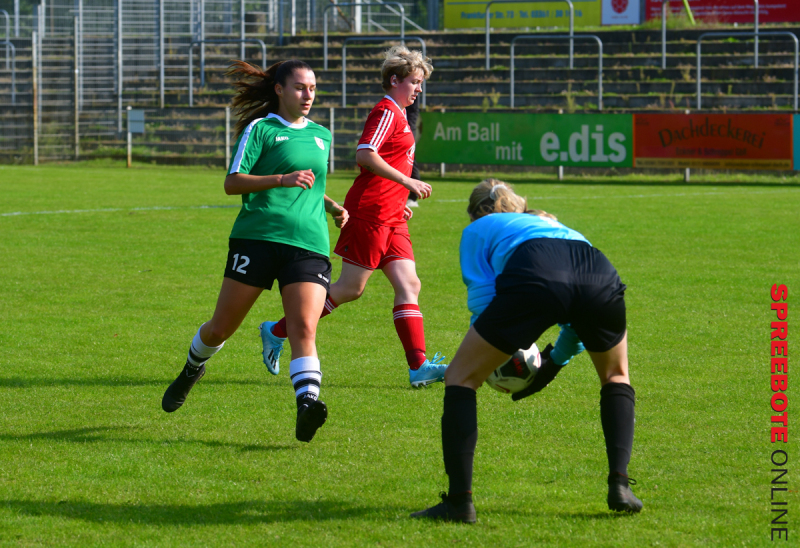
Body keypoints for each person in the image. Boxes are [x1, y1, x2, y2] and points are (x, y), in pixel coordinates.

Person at [411, 179, 642, 523]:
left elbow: (484, 299)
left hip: (537, 268)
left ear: (477, 212)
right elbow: (575, 321)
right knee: (616, 375)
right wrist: (553, 364)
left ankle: (459, 503)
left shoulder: (478, 229)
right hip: (599, 270)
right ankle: (620, 485)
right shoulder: (551, 223)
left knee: (460, 376)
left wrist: (495, 354)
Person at [161, 59, 348, 444]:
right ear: (279, 89)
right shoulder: (260, 129)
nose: (308, 95)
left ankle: (307, 405)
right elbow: (232, 183)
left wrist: (332, 206)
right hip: (258, 238)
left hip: (309, 244)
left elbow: (311, 184)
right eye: (300, 87)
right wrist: (281, 179)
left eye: (313, 88)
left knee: (303, 326)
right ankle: (193, 367)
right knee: (221, 328)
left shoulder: (322, 135)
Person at [260, 46, 449, 388]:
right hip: (371, 212)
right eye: (414, 82)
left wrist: (399, 198)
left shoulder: (400, 113)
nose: (419, 89)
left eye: (421, 83)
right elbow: (365, 154)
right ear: (395, 80)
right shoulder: (386, 111)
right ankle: (277, 330)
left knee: (410, 284)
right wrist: (406, 182)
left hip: (392, 215)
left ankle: (418, 366)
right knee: (349, 288)